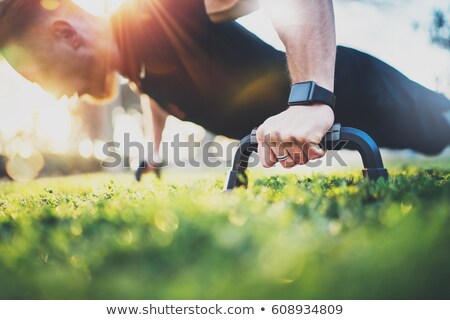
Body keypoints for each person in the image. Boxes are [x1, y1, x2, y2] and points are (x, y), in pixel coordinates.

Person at [0, 0, 449, 173]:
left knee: (439, 130)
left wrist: (311, 99)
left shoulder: (156, 11)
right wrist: (154, 153)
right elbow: (155, 92)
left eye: (41, 76)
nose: (54, 94)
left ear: (66, 34)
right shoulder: (132, 61)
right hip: (336, 123)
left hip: (357, 91)